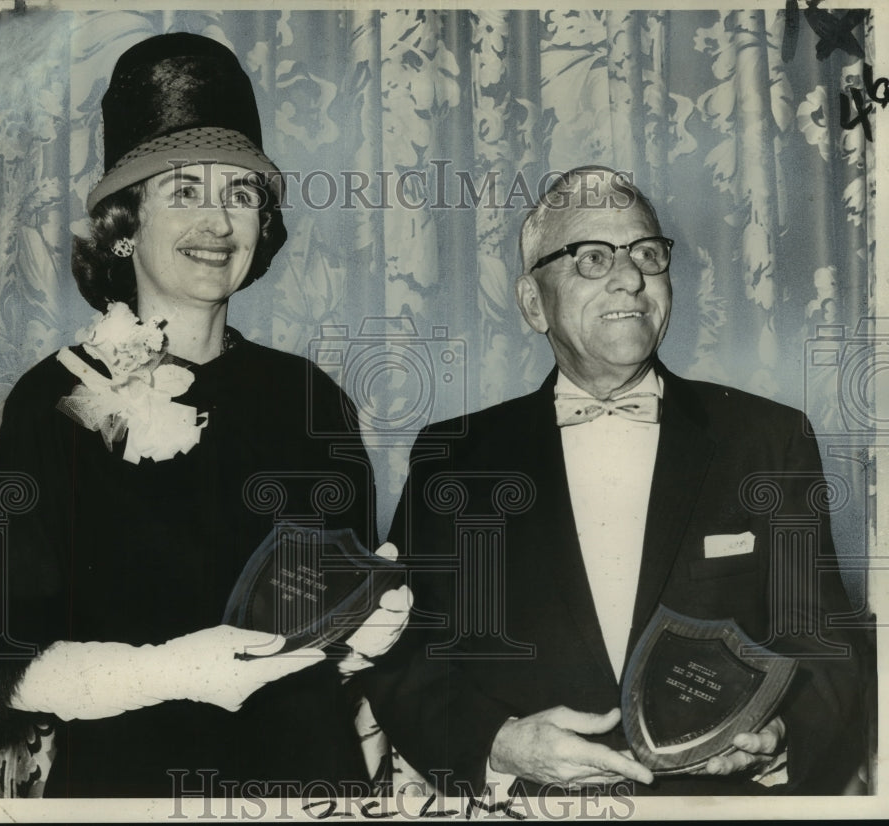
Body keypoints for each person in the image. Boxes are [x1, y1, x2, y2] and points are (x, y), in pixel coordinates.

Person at [0, 32, 408, 798]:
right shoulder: (55, 400)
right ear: (125, 224)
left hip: (306, 789)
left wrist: (363, 642)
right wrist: (174, 672)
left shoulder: (311, 398)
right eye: (184, 191)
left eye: (241, 194)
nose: (218, 223)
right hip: (130, 789)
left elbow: (327, 618)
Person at [364, 166, 866, 797]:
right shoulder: (456, 457)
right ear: (531, 302)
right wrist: (496, 744)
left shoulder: (768, 439)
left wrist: (782, 738)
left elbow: (827, 643)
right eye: (593, 258)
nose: (631, 278)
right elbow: (403, 650)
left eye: (647, 254)